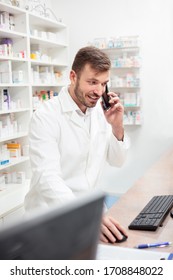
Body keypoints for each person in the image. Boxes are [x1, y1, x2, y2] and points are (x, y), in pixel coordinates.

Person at [24, 46, 130, 243]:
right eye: (92, 82)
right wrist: (87, 215)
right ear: (73, 76)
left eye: (104, 84)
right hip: (51, 221)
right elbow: (47, 178)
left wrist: (117, 126)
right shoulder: (46, 117)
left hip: (89, 218)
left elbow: (118, 160)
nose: (99, 91)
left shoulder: (100, 113)